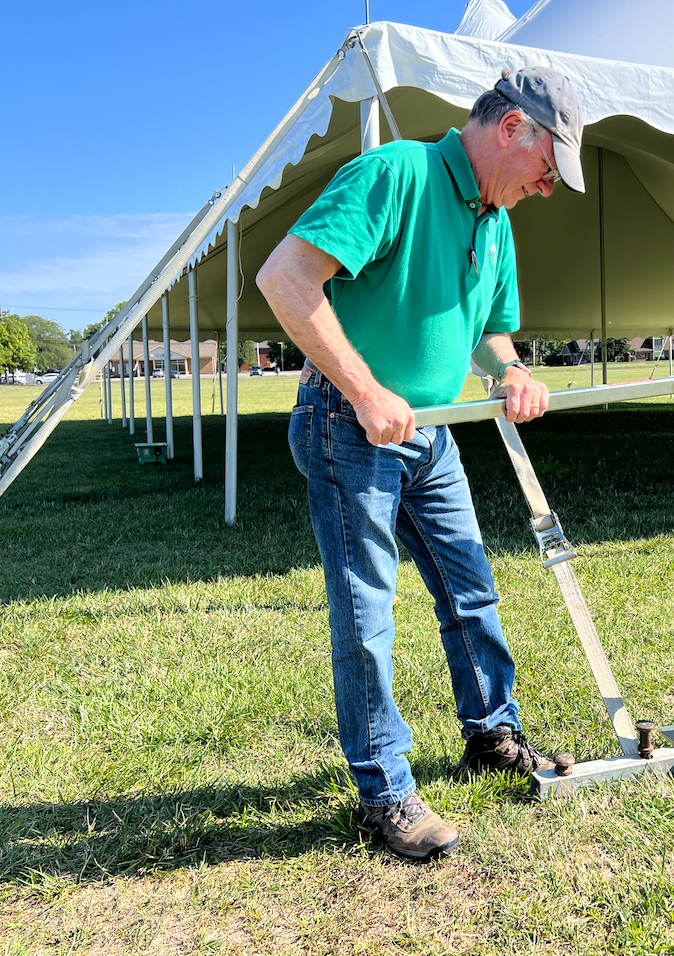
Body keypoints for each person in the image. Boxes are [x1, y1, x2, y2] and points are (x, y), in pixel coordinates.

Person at [256, 67, 585, 861]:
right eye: (547, 168)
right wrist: (364, 389)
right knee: (368, 610)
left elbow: (489, 329)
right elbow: (285, 278)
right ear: (512, 128)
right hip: (346, 423)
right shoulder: (395, 173)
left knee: (470, 586)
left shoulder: (493, 221)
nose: (546, 188)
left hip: (429, 434)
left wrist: (508, 369)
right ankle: (384, 793)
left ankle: (490, 736)